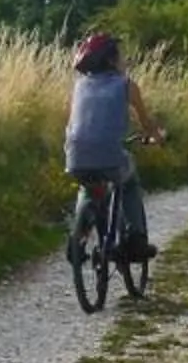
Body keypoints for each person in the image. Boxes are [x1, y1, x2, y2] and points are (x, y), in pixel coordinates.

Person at [66, 31, 166, 261]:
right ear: (111, 60)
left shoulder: (79, 86)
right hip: (110, 156)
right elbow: (146, 123)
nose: (124, 60)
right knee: (129, 181)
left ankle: (78, 236)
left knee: (87, 187)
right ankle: (136, 239)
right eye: (120, 56)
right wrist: (158, 138)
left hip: (75, 156)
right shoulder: (127, 85)